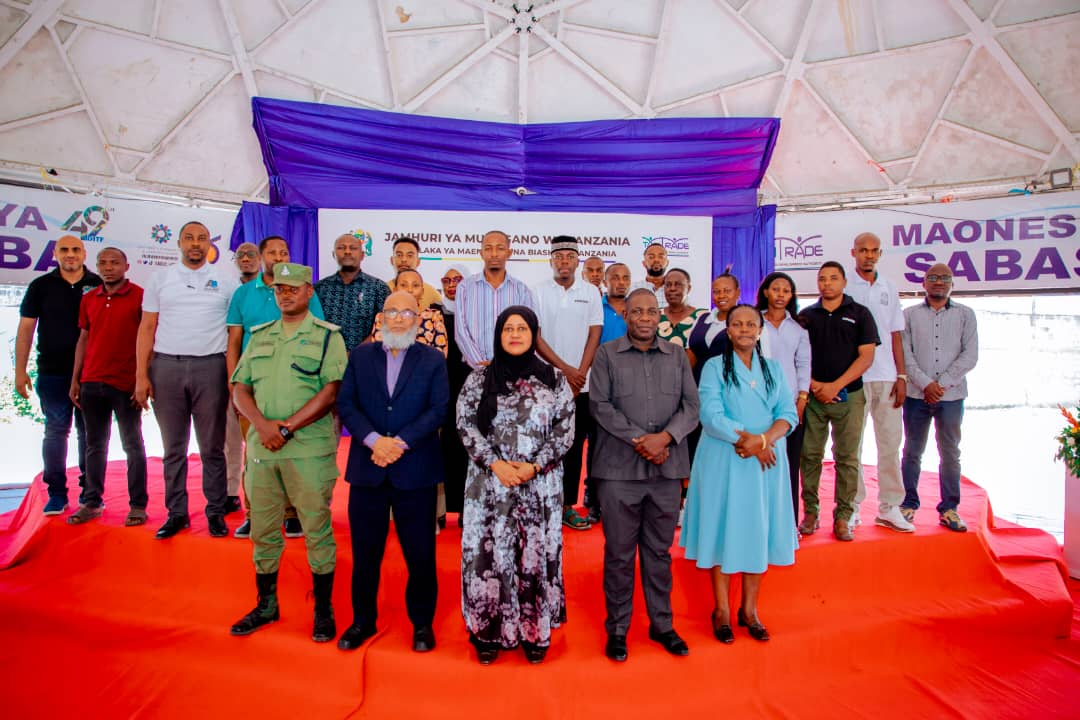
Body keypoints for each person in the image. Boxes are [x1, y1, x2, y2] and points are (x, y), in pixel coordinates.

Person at [229, 262, 347, 643]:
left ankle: (323, 609)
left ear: (309, 292)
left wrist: (286, 427)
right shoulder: (260, 335)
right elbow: (240, 387)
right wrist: (262, 426)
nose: (285, 295)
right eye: (280, 289)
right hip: (263, 450)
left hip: (307, 450)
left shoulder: (327, 337)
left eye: (293, 288)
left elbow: (331, 391)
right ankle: (266, 605)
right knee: (263, 530)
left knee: (316, 529)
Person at [456, 306, 575, 664]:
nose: (515, 335)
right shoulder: (479, 378)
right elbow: (465, 424)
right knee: (488, 557)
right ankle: (487, 631)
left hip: (539, 484)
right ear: (499, 335)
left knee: (534, 555)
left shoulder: (554, 379)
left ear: (534, 334)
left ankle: (534, 631)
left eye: (522, 328)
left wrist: (534, 466)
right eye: (508, 328)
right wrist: (495, 464)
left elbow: (565, 428)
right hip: (489, 483)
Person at [590, 289, 700, 662]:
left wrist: (665, 438)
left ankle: (662, 624)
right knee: (619, 554)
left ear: (659, 316)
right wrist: (642, 440)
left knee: (658, 552)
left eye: (651, 312)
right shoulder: (606, 354)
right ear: (626, 316)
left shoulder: (677, 356)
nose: (644, 318)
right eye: (636, 311)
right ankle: (618, 629)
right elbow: (599, 406)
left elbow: (692, 406)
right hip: (618, 471)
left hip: (666, 470)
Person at [336, 291, 449, 653]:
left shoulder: (433, 360)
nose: (399, 318)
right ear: (381, 317)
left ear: (419, 319)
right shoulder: (360, 356)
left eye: (407, 313)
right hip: (367, 469)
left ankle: (422, 624)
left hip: (415, 470)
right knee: (365, 553)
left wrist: (398, 444)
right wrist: (374, 441)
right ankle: (362, 621)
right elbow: (346, 404)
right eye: (392, 312)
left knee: (420, 554)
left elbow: (439, 409)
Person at [680, 304, 798, 644]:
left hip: (765, 461)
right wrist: (749, 441)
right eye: (737, 324)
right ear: (728, 331)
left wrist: (763, 440)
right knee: (723, 528)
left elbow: (788, 414)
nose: (744, 329)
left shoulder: (773, 369)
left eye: (751, 324)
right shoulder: (714, 367)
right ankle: (721, 610)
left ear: (760, 330)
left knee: (757, 529)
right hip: (725, 456)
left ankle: (750, 610)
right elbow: (711, 416)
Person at [135, 220, 239, 539]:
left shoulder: (226, 281)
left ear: (209, 244)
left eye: (202, 238)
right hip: (167, 367)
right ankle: (176, 513)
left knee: (212, 448)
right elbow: (147, 327)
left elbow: (235, 332)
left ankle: (216, 512)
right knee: (173, 448)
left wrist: (232, 376)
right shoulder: (160, 279)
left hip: (212, 367)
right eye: (189, 238)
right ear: (179, 243)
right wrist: (141, 375)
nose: (195, 243)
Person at [227, 236, 325, 539]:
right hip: (253, 386)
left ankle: (292, 513)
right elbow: (233, 342)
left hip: (296, 384)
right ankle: (255, 514)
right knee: (256, 453)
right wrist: (234, 385)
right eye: (273, 252)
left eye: (284, 252)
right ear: (261, 257)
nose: (279, 257)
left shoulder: (306, 292)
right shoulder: (244, 294)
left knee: (293, 450)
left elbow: (318, 335)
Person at [15, 234, 101, 515]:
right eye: (64, 250)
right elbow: (26, 329)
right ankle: (56, 493)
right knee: (55, 431)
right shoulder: (40, 286)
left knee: (89, 434)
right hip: (51, 373)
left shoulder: (98, 285)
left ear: (84, 253)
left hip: (91, 373)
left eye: (76, 249)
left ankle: (90, 494)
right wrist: (20, 371)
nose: (70, 254)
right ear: (55, 254)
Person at [797, 262, 878, 542]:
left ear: (844, 282)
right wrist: (815, 386)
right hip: (814, 397)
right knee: (809, 455)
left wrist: (836, 386)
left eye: (833, 278)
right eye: (822, 279)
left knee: (847, 457)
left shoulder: (860, 313)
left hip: (849, 396)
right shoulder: (806, 316)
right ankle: (810, 512)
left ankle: (843, 516)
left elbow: (866, 357)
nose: (827, 283)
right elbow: (797, 356)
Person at [66, 247, 147, 526]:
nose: (108, 267)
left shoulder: (140, 296)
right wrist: (76, 378)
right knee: (94, 445)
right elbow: (83, 339)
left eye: (114, 263)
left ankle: (137, 505)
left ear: (126, 266)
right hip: (91, 382)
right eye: (103, 263)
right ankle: (91, 502)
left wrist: (142, 379)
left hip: (125, 383)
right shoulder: (89, 299)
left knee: (132, 445)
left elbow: (148, 339)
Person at [900, 264, 979, 532]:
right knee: (912, 451)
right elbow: (905, 355)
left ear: (952, 284)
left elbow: (970, 356)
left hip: (951, 396)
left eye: (945, 278)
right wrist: (926, 384)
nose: (938, 282)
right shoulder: (909, 315)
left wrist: (940, 384)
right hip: (916, 395)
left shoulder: (966, 315)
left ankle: (949, 509)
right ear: (923, 283)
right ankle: (908, 504)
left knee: (950, 452)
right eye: (932, 277)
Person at [846, 233, 915, 532]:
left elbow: (895, 334)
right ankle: (851, 507)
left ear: (880, 254)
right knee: (852, 447)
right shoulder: (845, 287)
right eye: (863, 250)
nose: (869, 255)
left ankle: (889, 507)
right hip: (854, 377)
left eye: (874, 251)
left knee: (890, 444)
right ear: (854, 253)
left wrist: (901, 376)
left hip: (887, 377)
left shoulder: (889, 286)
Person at [534, 236, 603, 531]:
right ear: (551, 260)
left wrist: (580, 375)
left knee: (573, 447)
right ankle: (540, 503)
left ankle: (566, 507)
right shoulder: (538, 291)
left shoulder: (590, 292)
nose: (564, 262)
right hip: (546, 383)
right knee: (542, 444)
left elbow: (595, 334)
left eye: (569, 257)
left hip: (581, 387)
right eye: (559, 256)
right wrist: (565, 370)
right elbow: (536, 336)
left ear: (577, 261)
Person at [756, 272, 811, 522]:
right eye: (776, 289)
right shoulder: (754, 322)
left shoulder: (798, 328)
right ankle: (761, 518)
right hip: (759, 402)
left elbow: (803, 364)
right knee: (762, 459)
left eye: (786, 290)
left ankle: (789, 523)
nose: (780, 294)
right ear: (766, 292)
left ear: (791, 296)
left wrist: (802, 399)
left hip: (789, 404)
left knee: (790, 462)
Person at [455, 230, 535, 370]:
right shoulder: (465, 287)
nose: (494, 254)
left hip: (512, 369)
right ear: (481, 253)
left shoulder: (521, 290)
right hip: (473, 368)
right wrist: (480, 364)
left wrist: (508, 364)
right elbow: (461, 331)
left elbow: (527, 332)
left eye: (500, 248)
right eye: (488, 248)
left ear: (509, 253)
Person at [224, 242, 261, 515]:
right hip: (237, 375)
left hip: (268, 379)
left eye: (251, 254)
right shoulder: (232, 290)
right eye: (241, 255)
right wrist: (232, 380)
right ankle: (233, 495)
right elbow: (233, 339)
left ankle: (281, 508)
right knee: (234, 440)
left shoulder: (277, 291)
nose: (246, 259)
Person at [314, 232, 392, 353]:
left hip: (366, 357)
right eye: (341, 248)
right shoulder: (319, 289)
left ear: (362, 255)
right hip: (325, 358)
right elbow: (313, 326)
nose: (347, 251)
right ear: (334, 254)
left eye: (353, 248)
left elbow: (385, 327)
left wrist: (356, 354)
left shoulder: (379, 288)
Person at [437, 264, 471, 525]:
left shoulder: (475, 313)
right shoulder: (433, 314)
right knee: (441, 450)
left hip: (469, 391)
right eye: (446, 280)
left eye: (458, 280)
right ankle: (438, 510)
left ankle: (466, 508)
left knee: (468, 449)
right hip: (440, 392)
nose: (452, 285)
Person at [370, 269, 447, 356]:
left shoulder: (434, 316)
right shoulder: (382, 317)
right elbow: (377, 353)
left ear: (422, 292)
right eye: (403, 285)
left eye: (415, 285)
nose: (410, 290)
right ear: (395, 290)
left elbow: (440, 354)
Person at [687, 271, 739, 382]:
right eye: (716, 292)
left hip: (730, 383)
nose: (721, 295)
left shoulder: (745, 322)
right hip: (699, 383)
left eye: (727, 291)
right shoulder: (702, 319)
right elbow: (691, 356)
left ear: (737, 293)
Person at [386, 236, 442, 309]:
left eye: (409, 256)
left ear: (418, 261)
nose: (404, 259)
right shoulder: (382, 289)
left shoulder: (432, 293)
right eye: (399, 255)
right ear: (391, 260)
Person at [657, 268, 706, 348]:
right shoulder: (655, 315)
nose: (672, 288)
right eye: (668, 285)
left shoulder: (702, 316)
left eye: (678, 284)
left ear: (688, 288)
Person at [599, 262, 630, 345]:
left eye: (626, 278)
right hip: (601, 353)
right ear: (605, 283)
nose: (622, 282)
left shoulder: (635, 309)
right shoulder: (596, 307)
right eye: (616, 278)